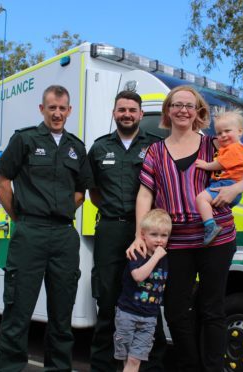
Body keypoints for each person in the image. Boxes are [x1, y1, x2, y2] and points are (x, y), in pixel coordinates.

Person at [127, 85, 243, 372]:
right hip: (177, 241)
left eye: (189, 105)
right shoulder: (155, 152)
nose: (183, 110)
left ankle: (213, 368)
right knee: (175, 310)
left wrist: (234, 190)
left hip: (217, 236)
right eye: (176, 104)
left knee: (213, 309)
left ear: (198, 112)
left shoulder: (214, 143)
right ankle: (190, 365)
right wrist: (139, 235)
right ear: (167, 111)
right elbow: (145, 194)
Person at [0, 85, 93, 372]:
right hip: (29, 233)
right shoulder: (24, 140)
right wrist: (21, 219)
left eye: (62, 108)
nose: (57, 113)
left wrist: (60, 211)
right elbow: (1, 184)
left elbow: (80, 193)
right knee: (18, 311)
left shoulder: (77, 147)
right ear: (42, 109)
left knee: (62, 316)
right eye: (52, 108)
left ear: (69, 110)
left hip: (64, 236)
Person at [87, 90, 165, 372]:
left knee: (147, 298)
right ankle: (103, 366)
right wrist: (113, 211)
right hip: (110, 230)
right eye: (122, 110)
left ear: (141, 114)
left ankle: (152, 366)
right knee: (108, 300)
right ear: (114, 113)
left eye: (132, 110)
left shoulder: (156, 146)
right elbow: (94, 192)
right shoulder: (98, 148)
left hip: (145, 233)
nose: (127, 114)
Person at [114, 208, 171, 372]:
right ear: (143, 235)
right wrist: (155, 257)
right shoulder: (136, 253)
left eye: (164, 235)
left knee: (134, 360)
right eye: (154, 235)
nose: (159, 240)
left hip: (149, 319)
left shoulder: (164, 256)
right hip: (127, 315)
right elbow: (138, 276)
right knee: (125, 360)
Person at [195, 108, 243, 245]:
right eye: (219, 133)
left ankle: (210, 226)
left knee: (201, 198)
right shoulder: (229, 148)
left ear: (240, 131)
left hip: (226, 184)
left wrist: (206, 165)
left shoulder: (235, 148)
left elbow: (221, 164)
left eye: (227, 131)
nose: (223, 135)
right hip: (224, 184)